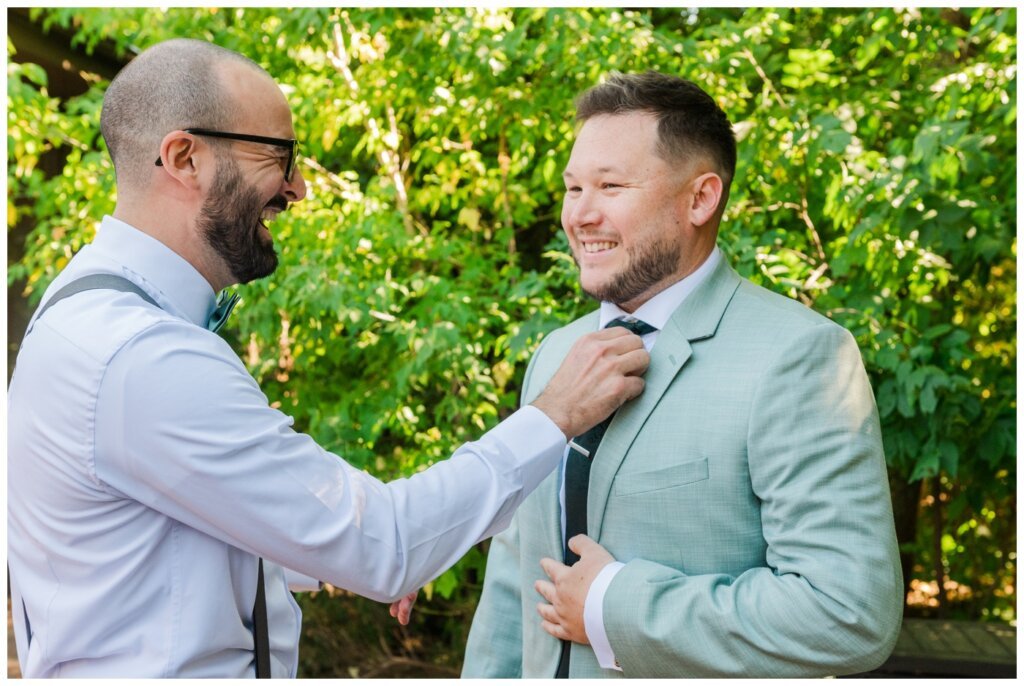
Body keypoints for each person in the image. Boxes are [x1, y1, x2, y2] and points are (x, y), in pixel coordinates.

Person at [6, 39, 651, 678]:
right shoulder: (142, 358)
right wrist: (554, 414)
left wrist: (332, 552)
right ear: (184, 157)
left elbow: (153, 550)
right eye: (279, 156)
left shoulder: (82, 311)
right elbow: (386, 547)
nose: (299, 188)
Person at [461, 71, 903, 678]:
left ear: (700, 199)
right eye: (573, 189)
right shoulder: (555, 353)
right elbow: (515, 577)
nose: (580, 215)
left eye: (610, 186)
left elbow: (846, 613)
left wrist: (613, 604)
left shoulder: (799, 357)